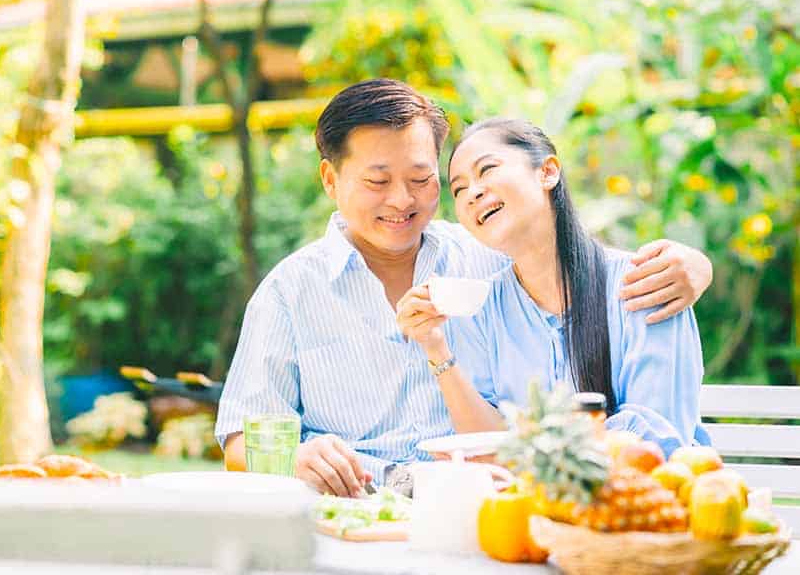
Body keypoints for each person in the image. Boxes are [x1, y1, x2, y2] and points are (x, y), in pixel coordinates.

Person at [215, 80, 713, 497]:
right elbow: (239, 436)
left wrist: (694, 264)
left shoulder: (484, 255)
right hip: (356, 506)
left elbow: (557, 249)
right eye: (377, 181)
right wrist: (297, 458)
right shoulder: (290, 291)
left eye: (422, 179)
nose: (402, 200)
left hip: (474, 504)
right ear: (330, 179)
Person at [396, 117, 709, 457]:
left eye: (487, 169)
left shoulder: (647, 282)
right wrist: (435, 347)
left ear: (547, 172)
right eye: (458, 189)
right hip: (532, 506)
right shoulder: (480, 310)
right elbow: (482, 449)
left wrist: (525, 448)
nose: (473, 192)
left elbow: (655, 439)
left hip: (639, 501)